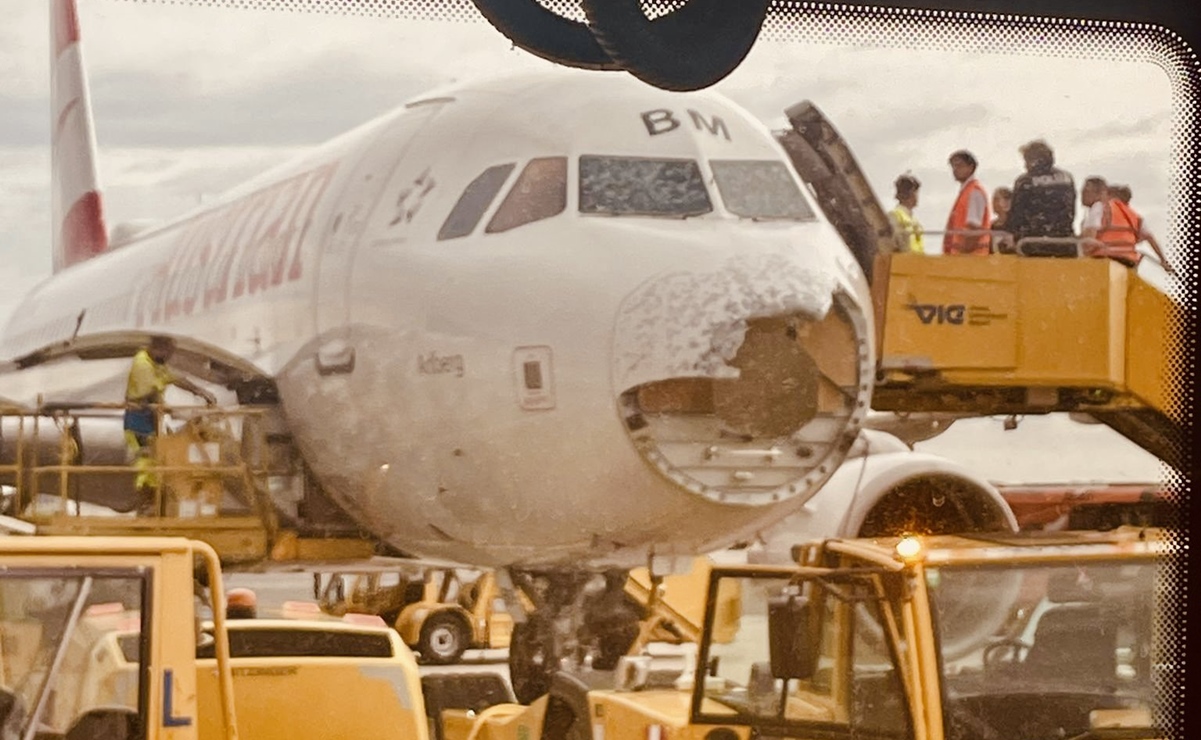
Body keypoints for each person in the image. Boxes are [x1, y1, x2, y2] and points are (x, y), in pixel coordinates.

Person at [124, 336, 217, 509]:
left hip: (149, 418)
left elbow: (174, 377)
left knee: (155, 456)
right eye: (168, 353)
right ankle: (147, 499)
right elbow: (150, 393)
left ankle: (154, 498)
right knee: (145, 459)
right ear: (158, 348)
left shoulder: (155, 363)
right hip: (138, 419)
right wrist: (173, 411)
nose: (169, 358)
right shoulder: (142, 365)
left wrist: (199, 391)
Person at [1080, 176, 1175, 272]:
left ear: (1109, 194)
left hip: (1104, 259)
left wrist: (1082, 256)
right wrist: (1163, 261)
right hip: (1129, 262)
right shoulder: (1134, 215)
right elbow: (1150, 238)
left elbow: (1089, 237)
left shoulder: (1101, 207)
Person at [1004, 139, 1076, 245]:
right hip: (1065, 241)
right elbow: (1071, 211)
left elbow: (1016, 215)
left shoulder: (1025, 181)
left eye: (1026, 161)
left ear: (1034, 161)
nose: (1025, 165)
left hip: (1033, 243)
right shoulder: (1067, 178)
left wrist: (1010, 233)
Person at [943, 150, 991, 255]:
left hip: (971, 258)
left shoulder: (974, 192)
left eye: (959, 166)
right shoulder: (966, 192)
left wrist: (963, 252)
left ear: (971, 167)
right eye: (953, 166)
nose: (955, 170)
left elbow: (974, 228)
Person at [888, 174, 924, 254]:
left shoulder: (914, 221)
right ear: (911, 193)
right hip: (904, 262)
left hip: (917, 262)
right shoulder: (894, 215)